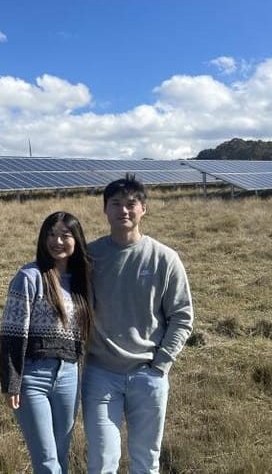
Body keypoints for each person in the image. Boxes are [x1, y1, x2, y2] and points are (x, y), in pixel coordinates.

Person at [82, 174, 194, 473]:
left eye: (131, 204)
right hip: (100, 374)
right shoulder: (89, 256)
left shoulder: (164, 258)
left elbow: (182, 315)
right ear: (104, 209)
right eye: (115, 204)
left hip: (148, 374)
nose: (124, 211)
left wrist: (161, 363)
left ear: (144, 208)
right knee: (102, 460)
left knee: (146, 461)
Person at [0, 211, 93, 474]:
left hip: (69, 375)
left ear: (76, 239)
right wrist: (11, 382)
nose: (57, 241)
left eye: (65, 235)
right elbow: (12, 332)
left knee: (61, 455)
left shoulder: (81, 280)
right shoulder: (29, 277)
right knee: (47, 460)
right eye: (51, 234)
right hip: (32, 377)